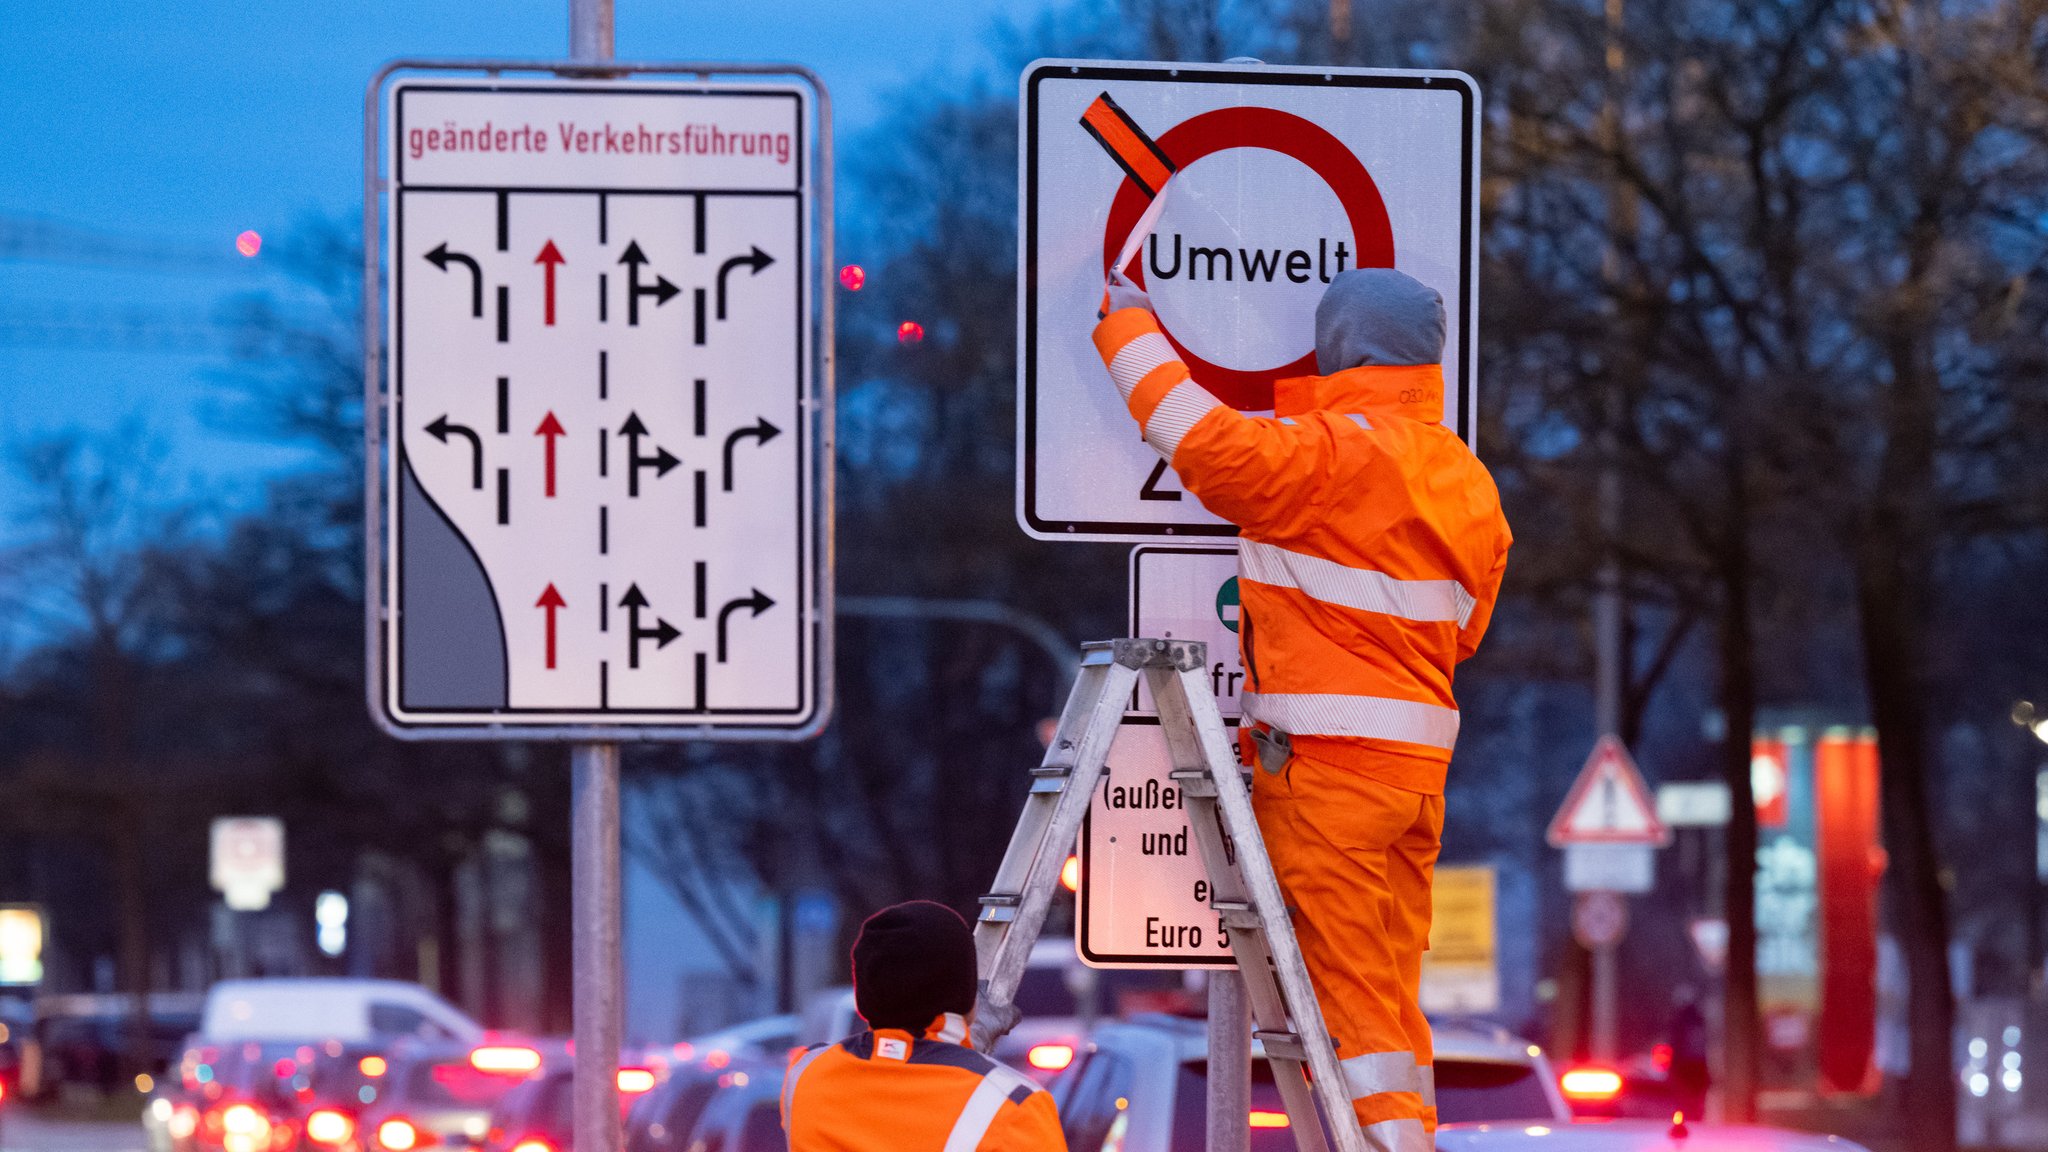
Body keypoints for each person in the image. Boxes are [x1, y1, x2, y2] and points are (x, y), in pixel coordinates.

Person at [1090, 266, 1512, 1150]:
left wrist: (1128, 328)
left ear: (1344, 343)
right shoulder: (1467, 480)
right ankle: (1413, 1136)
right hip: (1416, 778)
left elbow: (1202, 444)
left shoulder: (1332, 455)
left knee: (1356, 1012)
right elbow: (1464, 631)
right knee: (1391, 1001)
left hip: (1330, 775)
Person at [781, 901, 1065, 1152]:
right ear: (966, 994)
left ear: (864, 991)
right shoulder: (1015, 1103)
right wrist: (966, 1049)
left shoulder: (806, 1074)